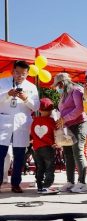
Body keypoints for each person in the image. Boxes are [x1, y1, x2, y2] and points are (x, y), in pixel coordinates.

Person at [0, 60, 39, 193]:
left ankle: (16, 183)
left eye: (23, 74)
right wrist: (7, 95)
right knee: (0, 153)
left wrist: (26, 99)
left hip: (21, 124)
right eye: (17, 72)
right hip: (3, 122)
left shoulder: (32, 87)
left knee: (19, 156)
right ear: (13, 71)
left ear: (27, 74)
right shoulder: (3, 82)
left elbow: (36, 106)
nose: (19, 76)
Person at [53, 73, 87, 193]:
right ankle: (70, 181)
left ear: (62, 83)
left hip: (79, 124)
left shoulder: (76, 90)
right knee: (68, 154)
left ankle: (82, 182)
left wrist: (64, 119)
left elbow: (80, 109)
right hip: (67, 127)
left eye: (57, 85)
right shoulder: (64, 94)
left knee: (78, 152)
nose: (56, 88)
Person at [31, 98, 58, 194]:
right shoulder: (51, 121)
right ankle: (46, 186)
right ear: (51, 111)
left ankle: (40, 186)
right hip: (48, 147)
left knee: (40, 167)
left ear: (39, 110)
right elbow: (56, 133)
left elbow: (32, 134)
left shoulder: (34, 121)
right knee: (49, 167)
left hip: (36, 148)